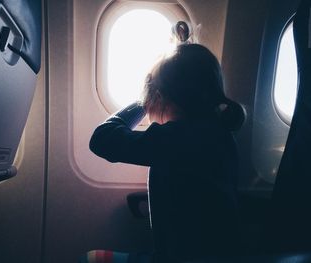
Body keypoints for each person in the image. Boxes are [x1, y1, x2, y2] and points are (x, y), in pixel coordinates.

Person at [88, 27, 245, 263]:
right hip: (213, 255)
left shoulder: (177, 138)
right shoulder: (218, 133)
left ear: (160, 96)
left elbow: (102, 139)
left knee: (89, 259)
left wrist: (142, 101)